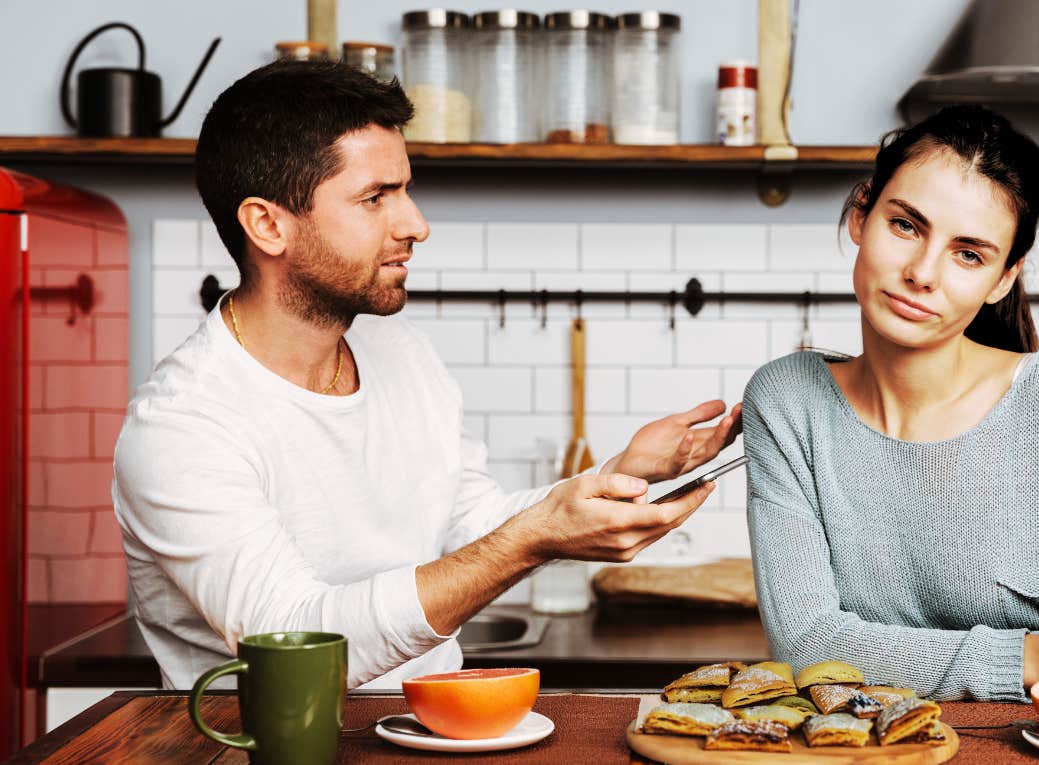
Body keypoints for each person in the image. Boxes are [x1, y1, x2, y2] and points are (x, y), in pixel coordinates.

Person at [112, 60, 740, 690]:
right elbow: (297, 641)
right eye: (375, 198)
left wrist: (619, 479)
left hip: (430, 732)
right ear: (268, 225)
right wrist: (536, 538)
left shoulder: (399, 348)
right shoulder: (181, 429)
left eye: (406, 190)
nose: (416, 224)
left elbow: (470, 524)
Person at [741, 105, 1039, 703]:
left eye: (969, 254)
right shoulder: (786, 401)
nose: (922, 273)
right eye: (906, 225)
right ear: (861, 214)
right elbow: (807, 645)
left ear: (1003, 279)